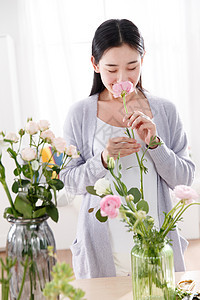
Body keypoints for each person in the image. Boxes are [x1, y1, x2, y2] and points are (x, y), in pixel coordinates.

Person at [60, 19, 195, 279]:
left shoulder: (165, 110)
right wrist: (103, 158)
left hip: (157, 245)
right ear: (95, 64)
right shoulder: (80, 114)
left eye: (132, 67)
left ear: (143, 60)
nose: (123, 79)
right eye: (111, 69)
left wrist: (155, 144)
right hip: (102, 249)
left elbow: (185, 179)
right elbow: (69, 183)